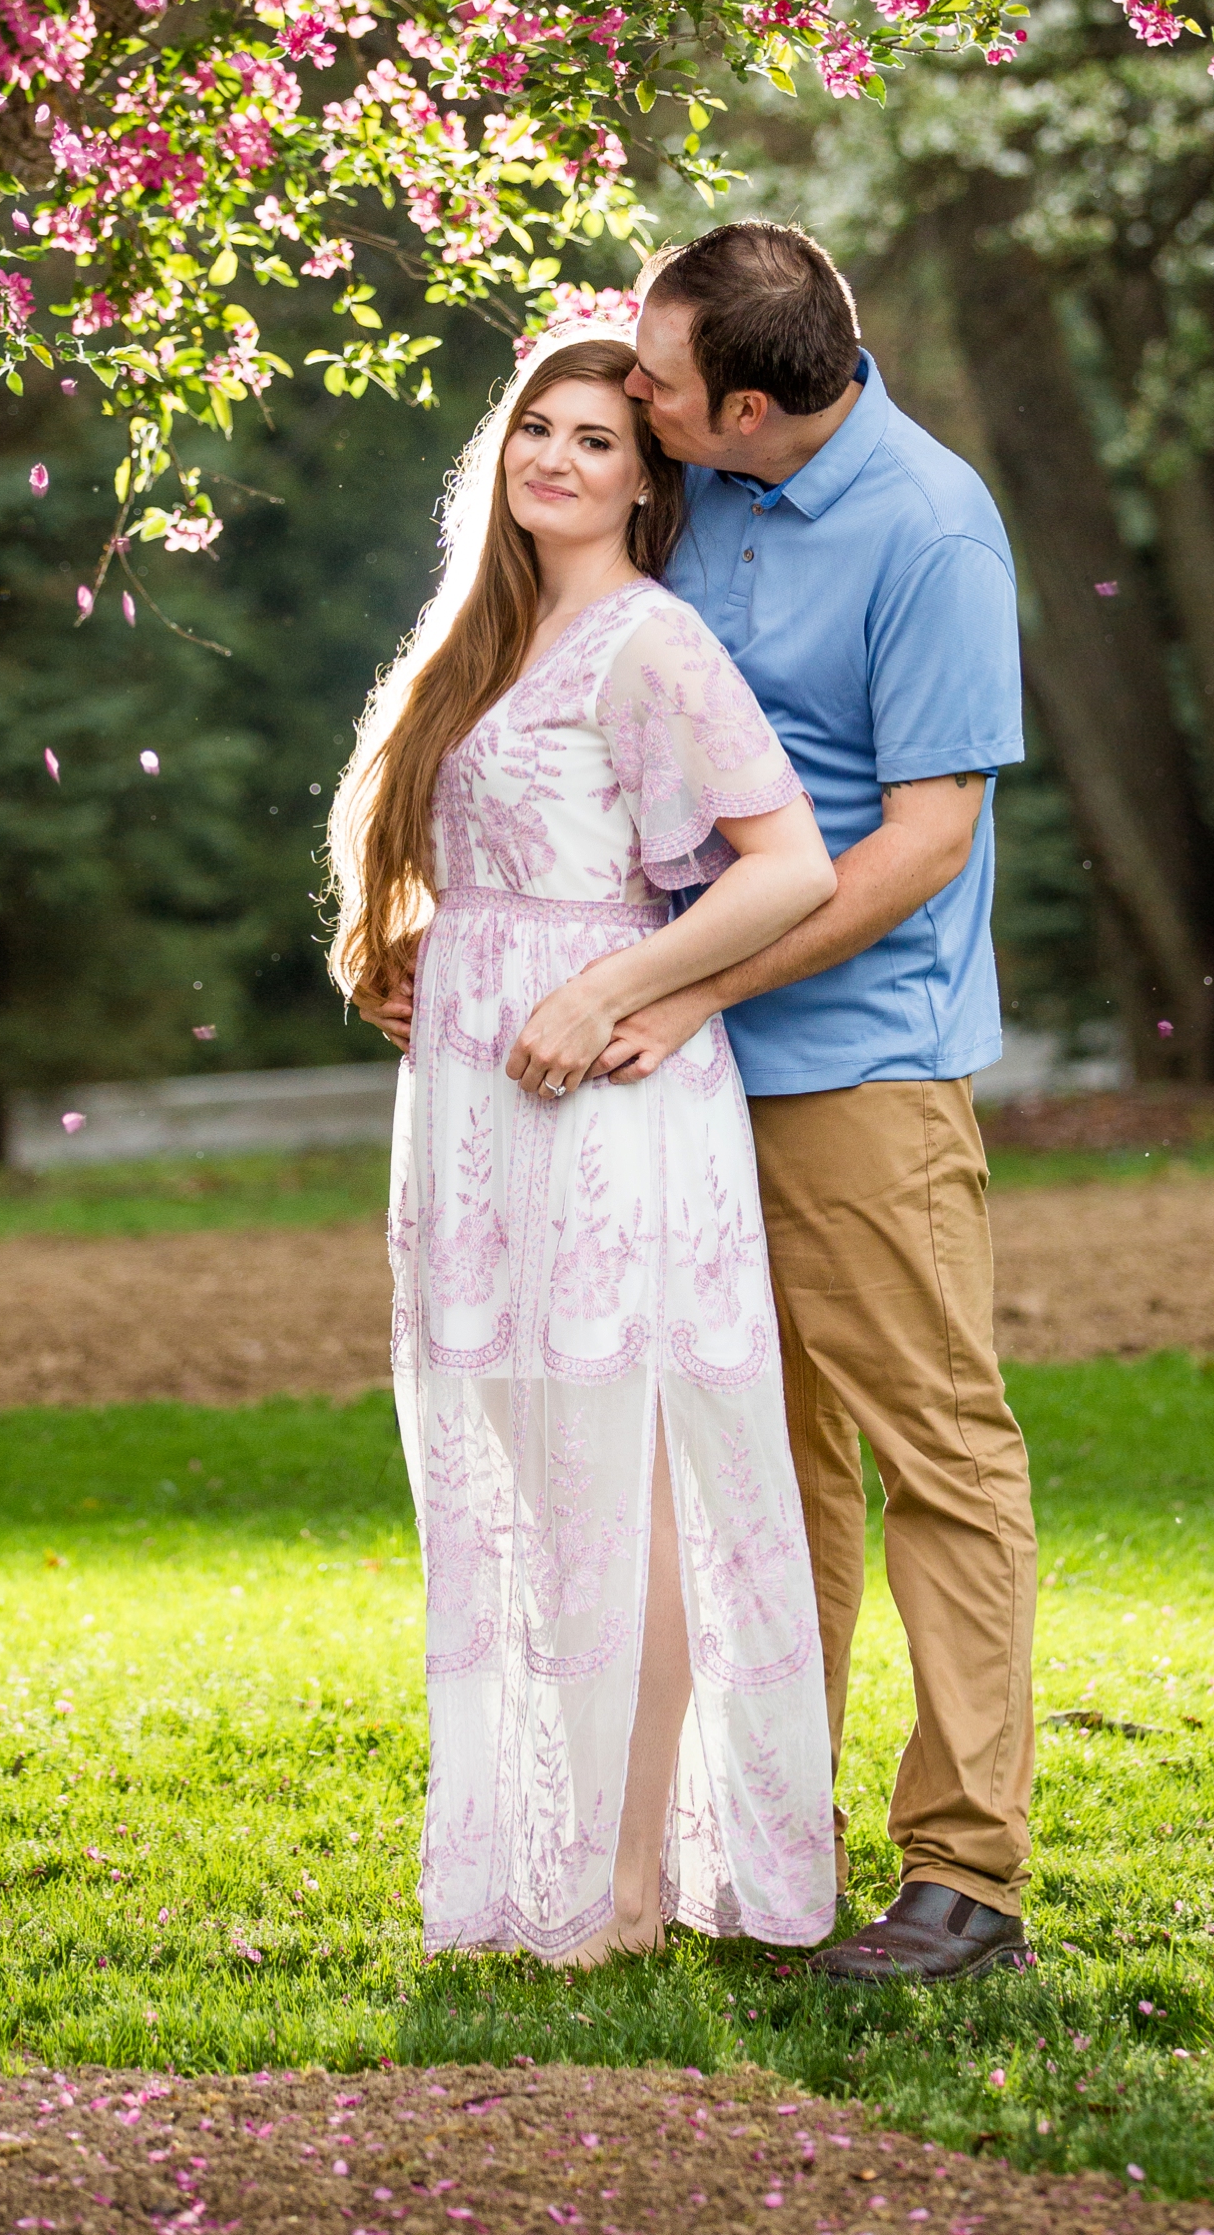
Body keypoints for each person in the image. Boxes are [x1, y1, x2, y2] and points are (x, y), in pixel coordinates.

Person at [329, 331, 840, 1967]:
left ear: (647, 475)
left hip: (605, 1100)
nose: (557, 456)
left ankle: (630, 1876)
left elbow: (790, 871)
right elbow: (472, 857)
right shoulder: (482, 639)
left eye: (599, 438)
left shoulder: (651, 641)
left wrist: (607, 985)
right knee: (525, 1487)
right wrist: (408, 951)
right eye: (536, 428)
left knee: (626, 1488)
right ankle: (539, 1855)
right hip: (475, 1116)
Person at [603, 219, 1038, 1988]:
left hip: (855, 1066)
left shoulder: (928, 528)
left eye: (660, 379)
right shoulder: (691, 483)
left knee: (936, 1449)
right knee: (759, 1476)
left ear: (757, 404)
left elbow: (926, 840)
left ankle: (971, 1877)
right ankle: (783, 1838)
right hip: (683, 1072)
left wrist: (699, 980)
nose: (634, 394)